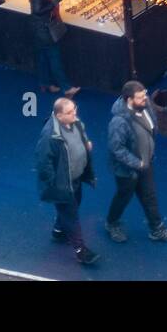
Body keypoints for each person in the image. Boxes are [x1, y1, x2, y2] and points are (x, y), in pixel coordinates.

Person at [105, 81, 167, 244]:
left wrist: (146, 159)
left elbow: (151, 129)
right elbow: (117, 149)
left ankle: (157, 229)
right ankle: (112, 223)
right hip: (127, 170)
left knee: (149, 196)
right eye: (141, 98)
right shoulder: (119, 122)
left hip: (145, 163)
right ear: (129, 100)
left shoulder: (145, 106)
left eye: (145, 95)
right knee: (123, 197)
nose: (146, 99)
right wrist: (138, 163)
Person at [35, 97, 99, 265]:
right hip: (63, 184)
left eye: (74, 109)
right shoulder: (50, 136)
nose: (75, 114)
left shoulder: (75, 123)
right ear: (59, 116)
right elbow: (43, 163)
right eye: (70, 112)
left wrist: (86, 145)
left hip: (75, 179)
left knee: (73, 205)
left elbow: (80, 138)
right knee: (71, 215)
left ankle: (58, 230)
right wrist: (55, 182)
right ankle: (80, 251)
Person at [29, 0, 79, 97]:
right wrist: (55, 1)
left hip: (38, 27)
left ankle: (45, 83)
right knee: (54, 56)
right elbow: (37, 10)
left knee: (42, 56)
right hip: (44, 28)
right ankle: (66, 88)